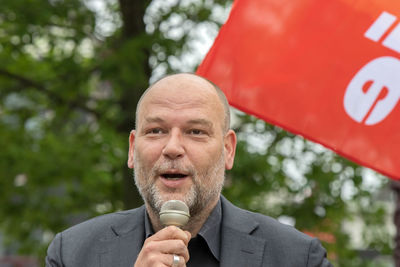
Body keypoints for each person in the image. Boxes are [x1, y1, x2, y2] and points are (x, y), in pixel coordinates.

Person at [46, 73, 332, 267]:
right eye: (156, 130)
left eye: (195, 132)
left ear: (228, 149)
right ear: (132, 149)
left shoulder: (297, 257)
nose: (172, 147)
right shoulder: (72, 253)